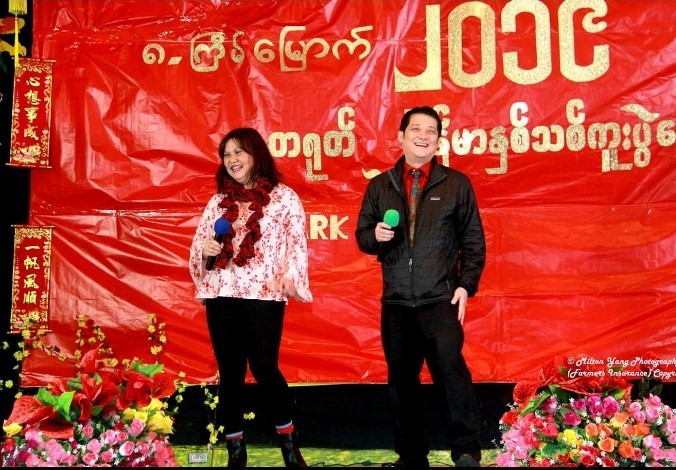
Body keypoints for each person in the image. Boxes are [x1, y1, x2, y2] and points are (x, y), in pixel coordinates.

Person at [355, 106, 486, 468]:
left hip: (439, 298)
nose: (423, 136)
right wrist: (375, 235)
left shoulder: (456, 183)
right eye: (416, 129)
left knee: (452, 374)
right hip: (396, 301)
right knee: (402, 382)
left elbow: (473, 240)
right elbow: (362, 236)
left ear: (439, 139)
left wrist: (466, 285)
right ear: (401, 136)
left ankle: (465, 451)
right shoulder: (381, 185)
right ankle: (411, 456)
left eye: (431, 130)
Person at [189, 127, 313, 468]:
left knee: (263, 367)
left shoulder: (284, 197)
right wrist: (206, 250)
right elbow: (199, 247)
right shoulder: (218, 201)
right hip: (222, 293)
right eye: (227, 155)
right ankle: (236, 453)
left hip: (263, 294)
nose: (232, 160)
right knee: (230, 372)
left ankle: (289, 447)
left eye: (239, 152)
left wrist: (291, 276)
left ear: (256, 154)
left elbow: (297, 243)